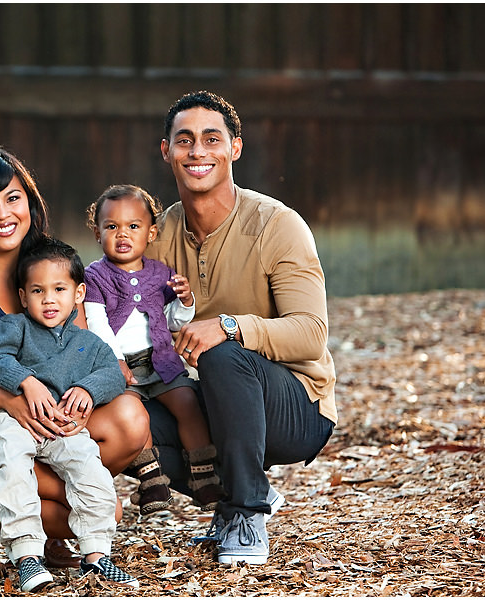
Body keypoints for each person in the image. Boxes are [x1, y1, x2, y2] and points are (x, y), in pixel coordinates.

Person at [0, 148, 151, 583]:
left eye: (12, 198)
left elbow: (82, 350)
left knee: (132, 419)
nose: (3, 214)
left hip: (47, 420)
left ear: (31, 203)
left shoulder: (47, 268)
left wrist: (83, 397)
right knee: (107, 508)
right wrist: (11, 397)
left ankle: (27, 519)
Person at [142, 91, 337, 565]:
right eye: (184, 140)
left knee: (222, 353)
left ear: (235, 148)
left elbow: (311, 333)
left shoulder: (278, 224)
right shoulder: (157, 235)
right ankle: (239, 492)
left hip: (296, 404)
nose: (198, 151)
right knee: (125, 417)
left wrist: (229, 327)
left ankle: (246, 509)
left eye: (213, 139)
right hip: (206, 399)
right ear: (166, 151)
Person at [0, 237, 138, 591]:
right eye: (37, 291)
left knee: (93, 475)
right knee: (13, 469)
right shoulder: (15, 327)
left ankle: (97, 556)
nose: (48, 299)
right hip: (16, 420)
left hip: (63, 427)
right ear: (23, 297)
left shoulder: (89, 342)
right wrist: (26, 381)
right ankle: (27, 556)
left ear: (78, 294)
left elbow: (114, 374)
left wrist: (87, 390)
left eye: (59, 289)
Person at [82, 184, 225, 515]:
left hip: (160, 360)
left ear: (151, 232)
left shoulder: (161, 274)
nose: (123, 234)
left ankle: (203, 476)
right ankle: (152, 480)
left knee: (188, 402)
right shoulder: (95, 276)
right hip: (120, 365)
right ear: (97, 232)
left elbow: (172, 320)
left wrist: (186, 302)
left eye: (133, 226)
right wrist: (113, 360)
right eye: (112, 226)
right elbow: (96, 322)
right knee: (135, 415)